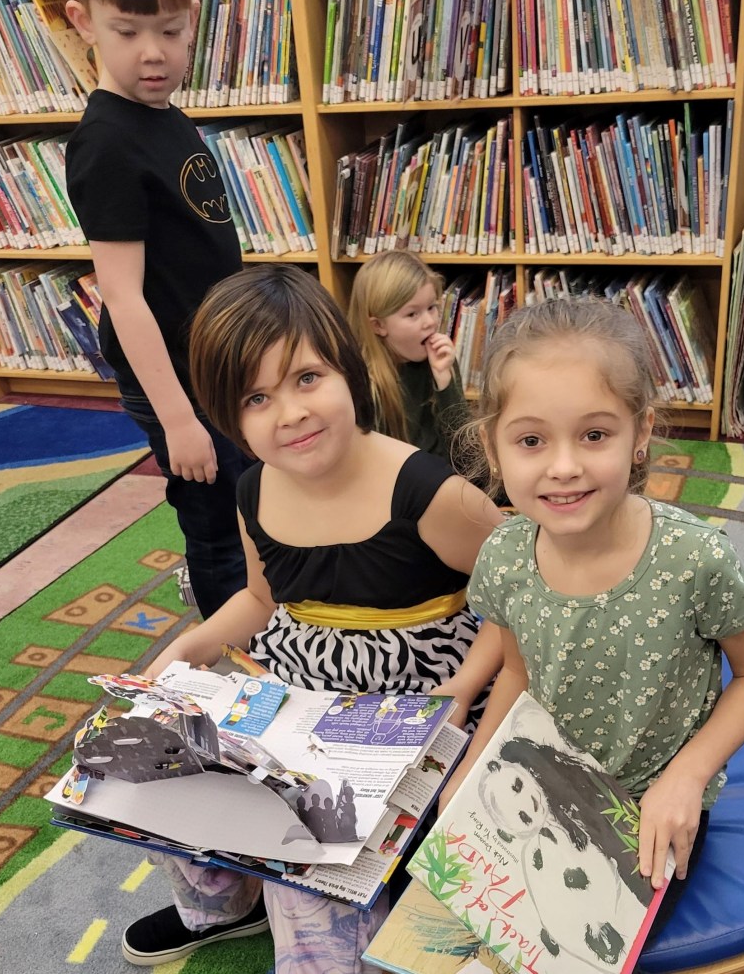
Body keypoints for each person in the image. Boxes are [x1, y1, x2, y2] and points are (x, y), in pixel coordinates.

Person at [124, 264, 503, 972]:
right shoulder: (253, 489)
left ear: (348, 370)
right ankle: (222, 906)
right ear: (226, 416)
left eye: (306, 378)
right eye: (256, 396)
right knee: (159, 758)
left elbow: (520, 606)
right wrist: (191, 646)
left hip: (424, 694)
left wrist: (453, 704)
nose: (289, 412)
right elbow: (263, 600)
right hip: (303, 690)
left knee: (308, 859)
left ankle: (329, 945)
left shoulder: (431, 491)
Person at [437, 296, 744, 935]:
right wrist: (469, 775)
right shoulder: (507, 555)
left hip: (651, 805)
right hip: (538, 792)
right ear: (493, 447)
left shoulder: (694, 558)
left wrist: (687, 778)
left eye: (594, 434)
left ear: (641, 434)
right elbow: (516, 674)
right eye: (532, 440)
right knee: (455, 918)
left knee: (582, 937)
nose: (564, 466)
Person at [64, 0, 249, 619]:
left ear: (194, 19)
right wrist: (178, 419)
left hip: (214, 360)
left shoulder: (163, 114)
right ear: (83, 22)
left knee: (246, 494)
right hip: (173, 379)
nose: (153, 54)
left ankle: (252, 607)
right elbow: (122, 294)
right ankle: (230, 644)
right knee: (215, 520)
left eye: (170, 32)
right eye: (129, 31)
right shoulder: (106, 143)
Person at [347, 250, 469, 463]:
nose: (430, 322)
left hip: (441, 479)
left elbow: (464, 452)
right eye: (413, 314)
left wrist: (445, 383)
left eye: (432, 307)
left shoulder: (440, 360)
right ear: (378, 325)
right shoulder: (364, 384)